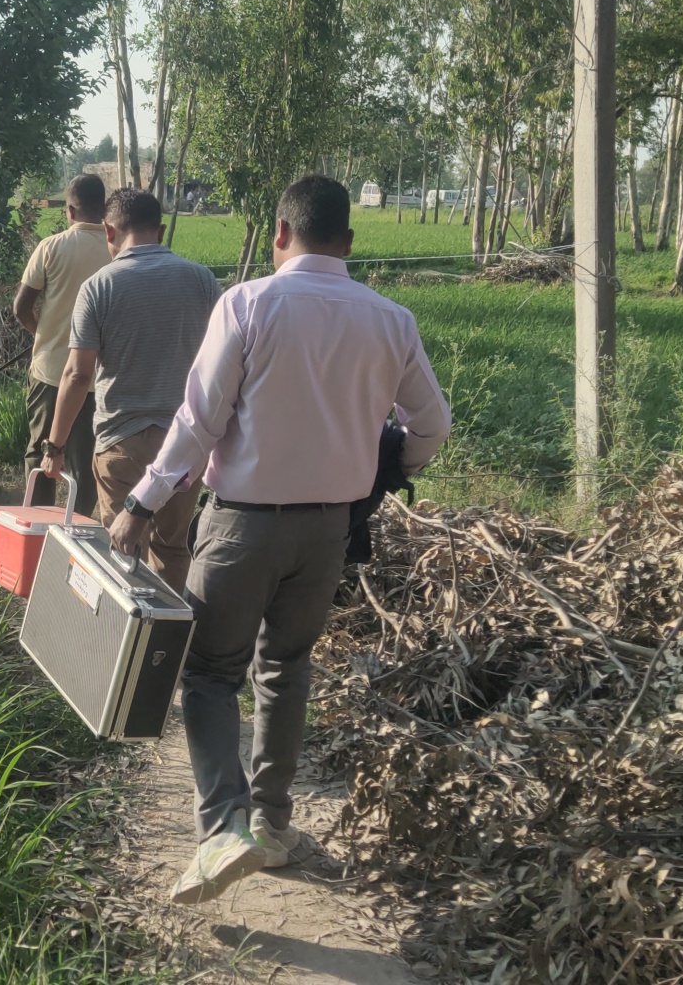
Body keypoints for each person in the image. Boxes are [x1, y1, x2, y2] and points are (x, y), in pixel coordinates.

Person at [111, 175, 451, 905]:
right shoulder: (391, 319)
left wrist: (142, 503)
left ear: (278, 234)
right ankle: (272, 825)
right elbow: (432, 424)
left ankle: (223, 825)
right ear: (350, 244)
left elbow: (200, 422)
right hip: (330, 530)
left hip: (241, 524)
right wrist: (394, 468)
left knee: (209, 674)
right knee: (285, 669)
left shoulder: (250, 302)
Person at [37, 188, 219, 589]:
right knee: (171, 549)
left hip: (120, 441)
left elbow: (76, 376)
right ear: (162, 229)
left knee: (120, 550)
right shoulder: (202, 281)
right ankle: (165, 644)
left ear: (109, 231)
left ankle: (120, 642)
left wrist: (55, 445)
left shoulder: (99, 286)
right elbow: (220, 364)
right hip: (184, 445)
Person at [16, 174, 111, 518]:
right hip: (98, 377)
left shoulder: (51, 247)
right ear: (105, 209)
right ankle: (79, 526)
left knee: (41, 453)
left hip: (51, 370)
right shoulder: (117, 249)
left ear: (70, 210)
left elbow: (21, 307)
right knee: (85, 462)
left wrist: (42, 334)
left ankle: (38, 521)